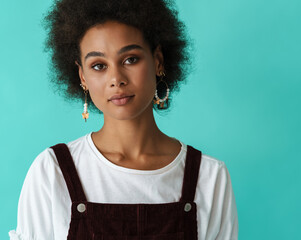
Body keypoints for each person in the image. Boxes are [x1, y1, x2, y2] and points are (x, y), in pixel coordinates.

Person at [9, 0, 238, 239]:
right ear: (82, 76)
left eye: (130, 59)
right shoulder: (52, 172)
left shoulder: (209, 177)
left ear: (158, 61)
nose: (116, 79)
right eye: (98, 65)